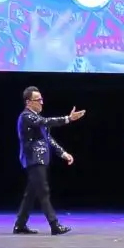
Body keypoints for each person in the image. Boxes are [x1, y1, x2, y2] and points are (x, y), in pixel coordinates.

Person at [13, 85, 81, 236]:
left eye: (42, 99)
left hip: (40, 159)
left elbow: (48, 139)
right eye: (38, 100)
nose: (42, 102)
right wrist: (67, 119)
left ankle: (20, 225)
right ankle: (54, 224)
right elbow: (45, 122)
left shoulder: (36, 118)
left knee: (31, 193)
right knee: (43, 192)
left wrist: (63, 153)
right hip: (33, 159)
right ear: (28, 102)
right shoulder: (26, 116)